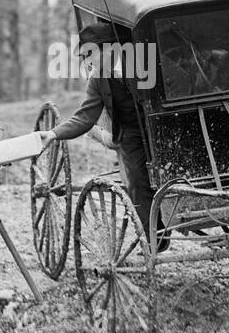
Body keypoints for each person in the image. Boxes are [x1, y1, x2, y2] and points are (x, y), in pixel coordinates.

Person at [39, 22, 166, 250]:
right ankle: (154, 240)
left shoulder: (142, 61)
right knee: (137, 182)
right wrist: (53, 133)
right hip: (130, 132)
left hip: (160, 124)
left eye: (89, 54)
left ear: (109, 48)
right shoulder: (97, 79)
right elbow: (85, 117)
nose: (87, 61)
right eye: (83, 57)